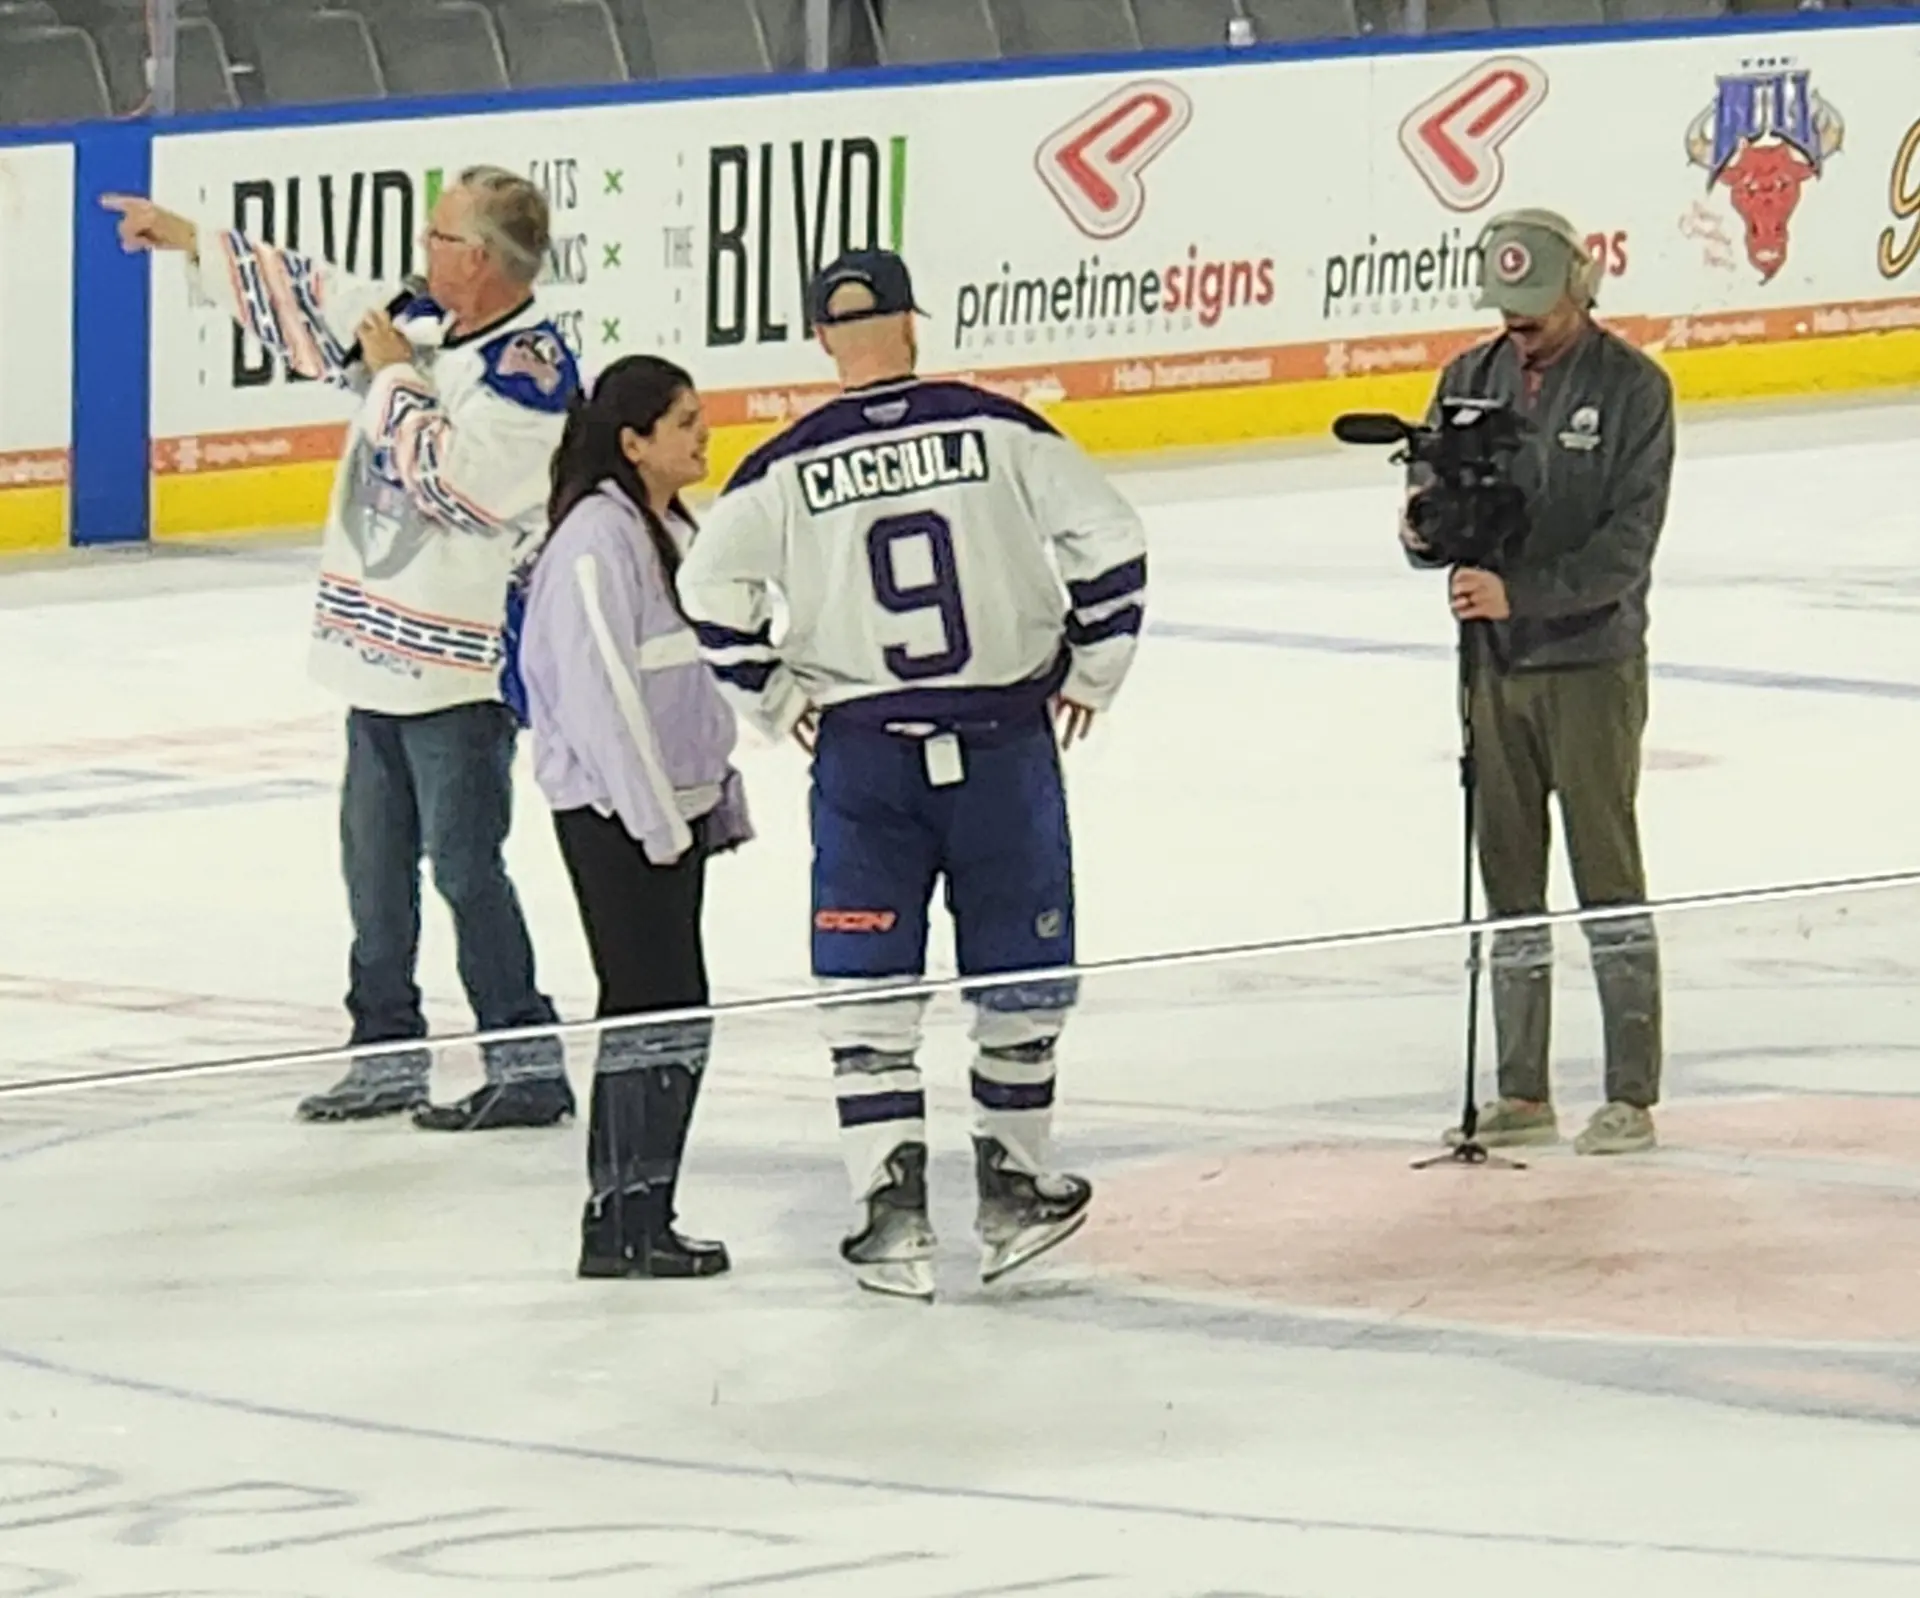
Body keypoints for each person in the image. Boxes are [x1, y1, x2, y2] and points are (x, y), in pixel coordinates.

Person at [676, 249, 1148, 1301]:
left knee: (865, 993)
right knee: (1021, 976)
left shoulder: (785, 464)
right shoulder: (999, 428)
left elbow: (707, 587)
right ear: (913, 324)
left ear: (821, 339)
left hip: (864, 758)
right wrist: (1093, 666)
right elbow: (1112, 540)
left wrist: (778, 696)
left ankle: (890, 1211)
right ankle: (1015, 1185)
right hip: (1003, 742)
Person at [103, 169, 576, 1133]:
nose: (423, 248)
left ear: (481, 259)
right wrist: (191, 238)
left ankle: (525, 1059)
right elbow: (326, 300)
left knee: (465, 868)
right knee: (373, 865)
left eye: (440, 236)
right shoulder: (416, 317)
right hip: (376, 657)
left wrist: (396, 376)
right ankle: (387, 1051)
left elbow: (462, 488)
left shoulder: (531, 374)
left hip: (456, 669)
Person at [1405, 208, 1675, 1157]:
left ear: (1582, 285)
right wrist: (1421, 532)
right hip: (1492, 668)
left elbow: (1625, 553)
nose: (1518, 324)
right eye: (1506, 306)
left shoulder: (1636, 389)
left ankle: (1630, 1092)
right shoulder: (1466, 380)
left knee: (1608, 876)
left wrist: (1521, 595)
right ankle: (1521, 1087)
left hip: (1590, 665)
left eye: (1536, 306)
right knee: (1508, 879)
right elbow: (1439, 510)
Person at [511, 356, 752, 1279]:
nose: (702, 433)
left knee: (667, 1016)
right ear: (633, 441)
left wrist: (708, 797)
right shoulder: (593, 544)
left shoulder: (663, 527)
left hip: (665, 817)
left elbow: (683, 679)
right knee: (652, 1015)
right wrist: (660, 824)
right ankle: (621, 1221)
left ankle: (640, 1214)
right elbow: (604, 699)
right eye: (685, 420)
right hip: (620, 821)